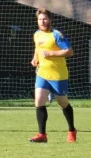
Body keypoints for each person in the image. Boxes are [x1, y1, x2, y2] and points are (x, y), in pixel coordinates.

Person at [29, 8, 76, 143]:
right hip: (42, 74)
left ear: (50, 20)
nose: (42, 22)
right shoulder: (37, 34)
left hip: (58, 76)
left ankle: (72, 130)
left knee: (63, 103)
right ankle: (42, 134)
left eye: (45, 19)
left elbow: (69, 51)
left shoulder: (56, 35)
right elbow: (38, 48)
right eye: (40, 19)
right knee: (38, 101)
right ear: (37, 21)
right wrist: (35, 58)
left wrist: (51, 53)